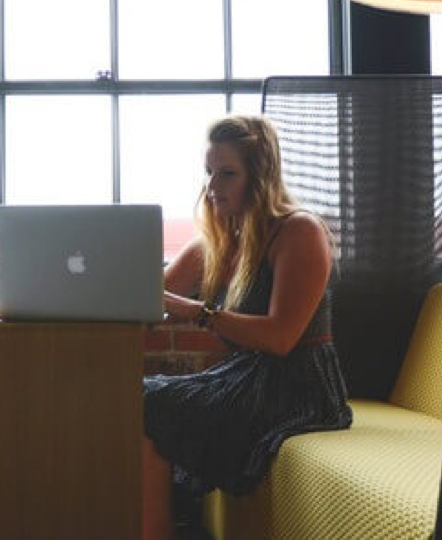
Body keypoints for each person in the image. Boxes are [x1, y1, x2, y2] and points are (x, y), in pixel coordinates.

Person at [142, 115, 352, 539]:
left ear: (260, 176)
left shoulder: (299, 231)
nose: (213, 187)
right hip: (248, 377)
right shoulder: (221, 239)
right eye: (209, 173)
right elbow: (149, 295)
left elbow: (280, 338)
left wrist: (199, 312)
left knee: (150, 403)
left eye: (227, 174)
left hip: (299, 386)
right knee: (141, 397)